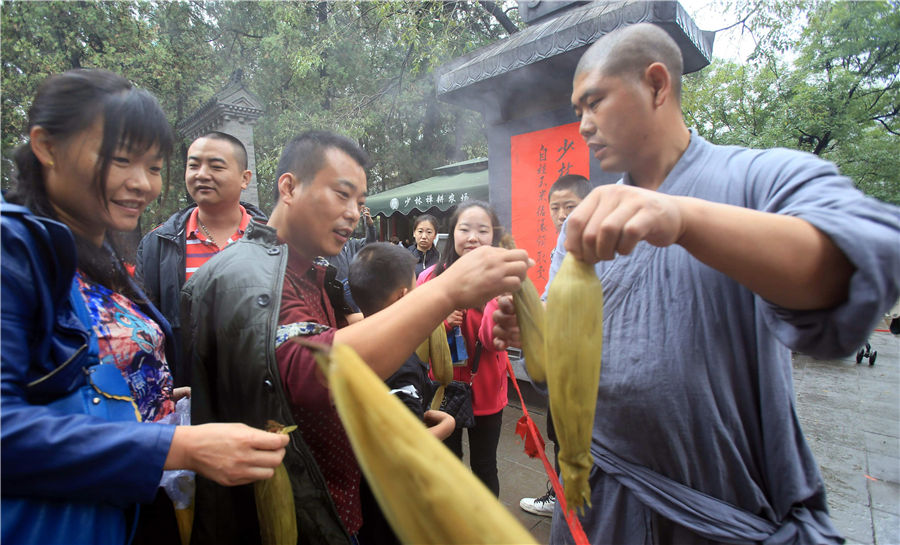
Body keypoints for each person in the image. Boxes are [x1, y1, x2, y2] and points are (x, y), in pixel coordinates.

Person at [492, 23, 900, 545]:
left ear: (658, 85)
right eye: (578, 112)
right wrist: (534, 333)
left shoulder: (755, 178)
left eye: (595, 103)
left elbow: (865, 259)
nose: (585, 126)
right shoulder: (584, 222)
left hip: (713, 509)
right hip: (601, 496)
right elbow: (563, 354)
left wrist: (683, 220)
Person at [181, 130, 530, 544]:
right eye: (341, 194)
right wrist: (446, 290)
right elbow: (311, 371)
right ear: (289, 188)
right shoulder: (249, 275)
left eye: (360, 203)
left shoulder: (312, 271)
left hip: (330, 501)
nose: (352, 213)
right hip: (286, 516)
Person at [0, 69, 289, 545]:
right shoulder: (15, 247)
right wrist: (176, 445)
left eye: (154, 167)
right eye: (120, 160)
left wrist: (152, 397)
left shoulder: (96, 255)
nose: (143, 184)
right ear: (47, 147)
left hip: (128, 510)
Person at [135, 131, 267, 381]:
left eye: (216, 166)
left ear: (244, 178)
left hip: (265, 391)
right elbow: (146, 329)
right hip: (191, 395)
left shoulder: (275, 241)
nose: (202, 174)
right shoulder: (157, 245)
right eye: (193, 165)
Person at [348, 241, 456, 545]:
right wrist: (445, 427)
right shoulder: (399, 360)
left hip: (359, 489)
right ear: (404, 297)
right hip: (392, 500)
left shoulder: (352, 344)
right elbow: (402, 448)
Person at [416, 200, 511, 497]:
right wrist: (441, 320)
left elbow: (497, 339)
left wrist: (489, 296)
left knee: (485, 467)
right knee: (448, 465)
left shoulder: (503, 279)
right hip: (444, 387)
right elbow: (416, 335)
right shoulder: (430, 278)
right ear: (452, 234)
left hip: (486, 387)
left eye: (482, 230)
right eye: (465, 229)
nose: (473, 237)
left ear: (493, 237)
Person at [519, 172, 591, 518]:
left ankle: (574, 507)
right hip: (561, 365)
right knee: (558, 433)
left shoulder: (600, 242)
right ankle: (562, 502)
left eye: (570, 207)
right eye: (556, 208)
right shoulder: (562, 244)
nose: (562, 215)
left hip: (589, 369)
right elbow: (551, 298)